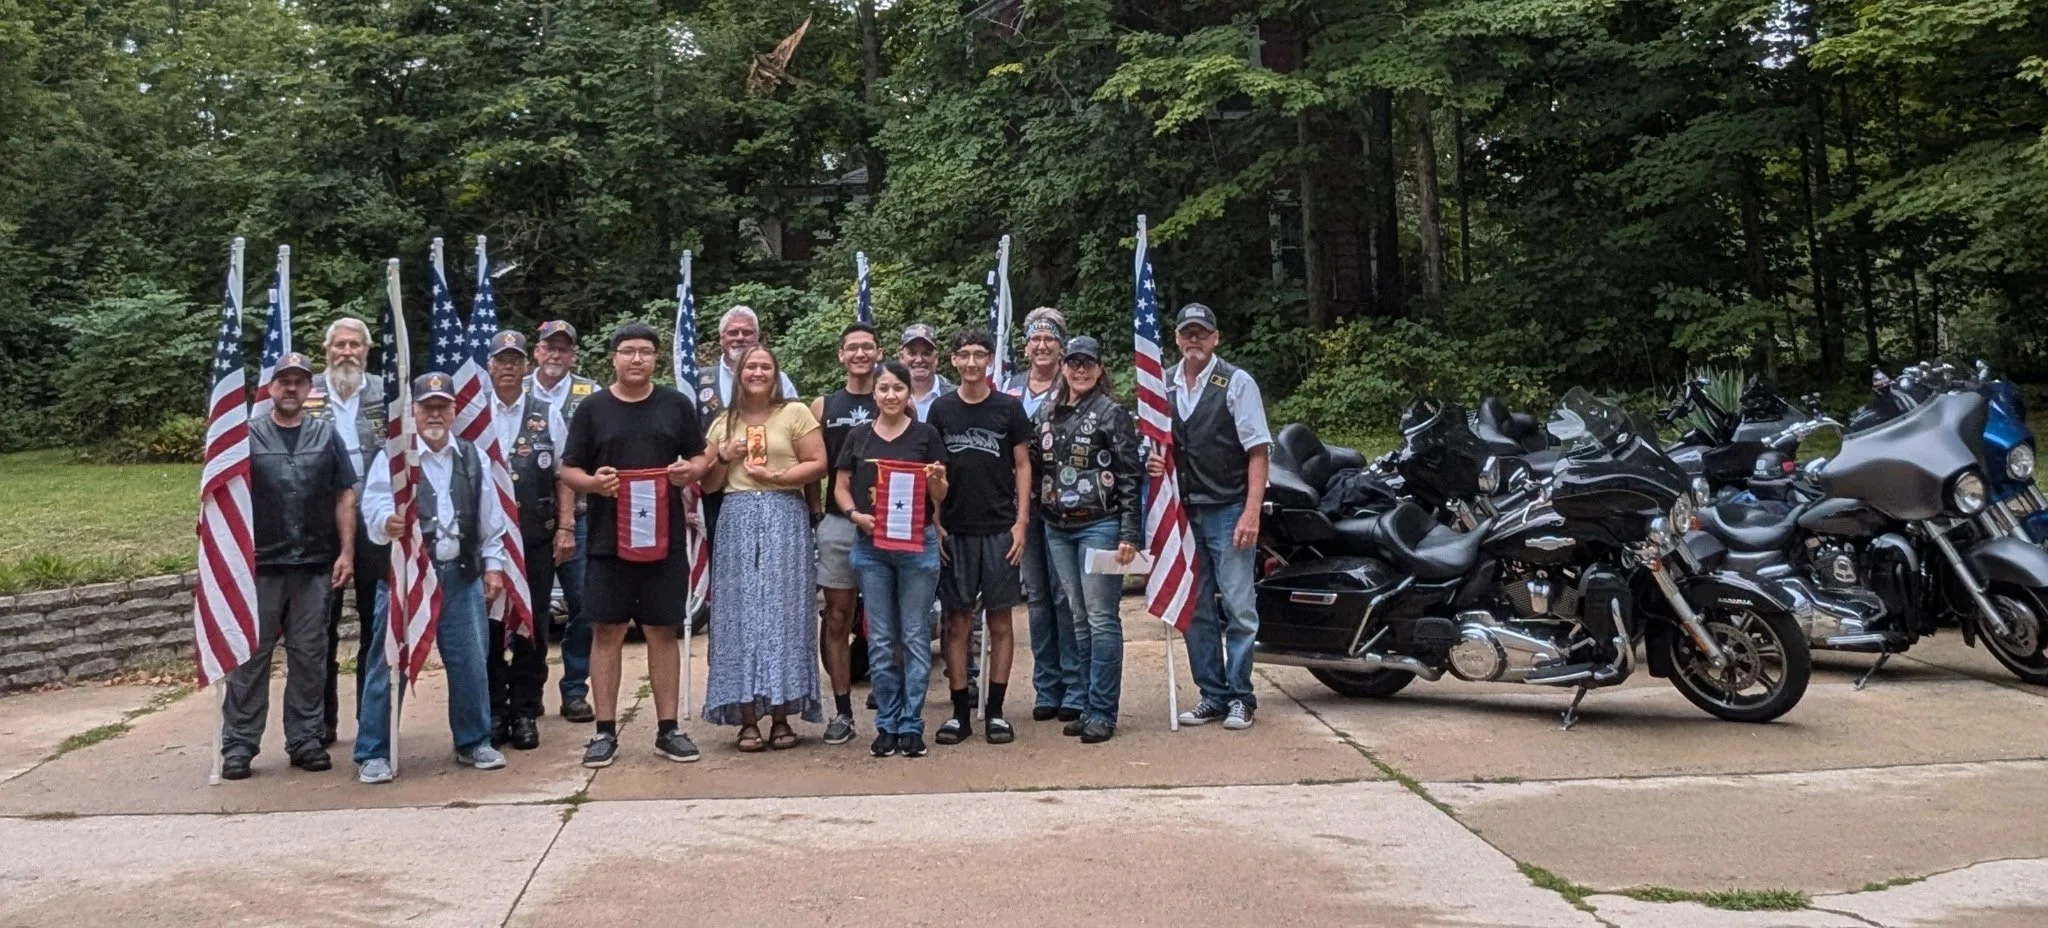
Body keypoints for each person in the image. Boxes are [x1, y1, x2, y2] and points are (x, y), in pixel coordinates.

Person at [558, 323, 712, 768]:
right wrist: (593, 483)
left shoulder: (675, 404)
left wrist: (691, 471)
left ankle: (668, 730)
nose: (637, 359)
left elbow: (701, 455)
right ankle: (604, 731)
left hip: (665, 539)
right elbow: (568, 470)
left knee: (662, 631)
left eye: (645, 351)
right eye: (628, 351)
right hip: (608, 540)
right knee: (606, 631)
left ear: (655, 359)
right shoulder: (593, 408)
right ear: (614, 358)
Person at [354, 372, 511, 784]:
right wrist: (385, 521)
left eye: (443, 406)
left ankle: (474, 741)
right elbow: (373, 504)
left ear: (455, 410)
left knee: (471, 662)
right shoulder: (395, 458)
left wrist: (494, 566)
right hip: (407, 578)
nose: (435, 414)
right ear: (414, 412)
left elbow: (491, 522)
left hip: (461, 576)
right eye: (427, 408)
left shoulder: (474, 457)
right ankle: (374, 750)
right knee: (387, 663)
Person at [221, 353, 357, 780]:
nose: (291, 388)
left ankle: (305, 739)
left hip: (314, 564)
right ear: (271, 388)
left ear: (309, 388)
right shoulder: (247, 436)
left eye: (299, 381)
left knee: (310, 656)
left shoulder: (326, 435)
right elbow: (225, 493)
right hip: (261, 565)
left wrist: (347, 552)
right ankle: (239, 745)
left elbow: (344, 495)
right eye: (284, 381)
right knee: (250, 658)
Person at [701, 346, 828, 751]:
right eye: (750, 366)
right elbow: (708, 484)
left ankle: (781, 716)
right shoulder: (723, 422)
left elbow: (818, 463)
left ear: (775, 373)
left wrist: (777, 477)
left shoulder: (794, 413)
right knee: (739, 617)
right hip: (737, 518)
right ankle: (747, 720)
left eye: (765, 366)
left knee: (783, 615)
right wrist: (724, 456)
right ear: (739, 374)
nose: (757, 372)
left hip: (784, 513)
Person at [1153, 303, 1273, 732]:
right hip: (1183, 514)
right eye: (1187, 333)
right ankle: (1212, 694)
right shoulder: (1162, 383)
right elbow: (1156, 443)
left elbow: (1258, 451)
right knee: (1195, 607)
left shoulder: (1236, 382)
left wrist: (1251, 512)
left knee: (1239, 606)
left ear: (1215, 338)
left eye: (1201, 333)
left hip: (1228, 509)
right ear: (1176, 338)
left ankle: (1241, 696)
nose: (1194, 340)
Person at [834, 360, 948, 759]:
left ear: (908, 393)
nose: (891, 395)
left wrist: (936, 482)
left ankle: (912, 724)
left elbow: (940, 494)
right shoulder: (858, 436)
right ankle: (886, 723)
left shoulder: (926, 435)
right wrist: (854, 515)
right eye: (883, 388)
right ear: (874, 394)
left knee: (915, 635)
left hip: (918, 544)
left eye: (898, 388)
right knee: (881, 639)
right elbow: (841, 485)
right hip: (872, 547)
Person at [927, 327, 1034, 746]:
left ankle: (996, 711)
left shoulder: (1008, 408)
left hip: (999, 528)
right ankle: (959, 712)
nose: (971, 362)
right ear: (953, 360)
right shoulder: (941, 409)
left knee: (1001, 620)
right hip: (956, 529)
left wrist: (1021, 521)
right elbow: (934, 471)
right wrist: (935, 520)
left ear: (990, 359)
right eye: (964, 355)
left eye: (979, 354)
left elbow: (1022, 465)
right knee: (957, 621)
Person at [1035, 336, 1140, 744]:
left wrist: (1129, 531)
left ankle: (1103, 710)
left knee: (1101, 618)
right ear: (1063, 366)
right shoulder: (1047, 411)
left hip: (1101, 525)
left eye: (1088, 364)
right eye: (1074, 363)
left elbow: (1129, 475)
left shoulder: (1112, 413)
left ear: (1099, 369)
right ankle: (1085, 703)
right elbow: (1032, 463)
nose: (1080, 370)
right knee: (1077, 617)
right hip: (1056, 526)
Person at [482, 331, 567, 751]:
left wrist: (566, 527)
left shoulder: (546, 413)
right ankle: (495, 709)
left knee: (532, 625)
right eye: (502, 360)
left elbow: (563, 475)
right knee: (490, 627)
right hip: (487, 541)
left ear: (525, 366)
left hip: (535, 537)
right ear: (490, 365)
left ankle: (525, 710)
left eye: (515, 360)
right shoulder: (473, 415)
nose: (509, 367)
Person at [306, 317, 386, 747]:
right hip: (320, 523)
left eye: (355, 345)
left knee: (376, 624)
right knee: (321, 627)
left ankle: (371, 720)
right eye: (340, 345)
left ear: (367, 351)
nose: (347, 352)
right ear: (327, 350)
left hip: (376, 522)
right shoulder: (306, 393)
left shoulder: (386, 393)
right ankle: (322, 721)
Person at [1006, 309, 1082, 722]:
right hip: (1021, 505)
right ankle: (1046, 685)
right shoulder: (1010, 387)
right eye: (1035, 339)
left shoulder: (1071, 385)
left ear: (1061, 345)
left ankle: (1073, 684)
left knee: (1063, 594)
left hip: (1063, 503)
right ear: (1026, 346)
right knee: (1036, 597)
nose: (1041, 346)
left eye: (1049, 339)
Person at [809, 322, 881, 745]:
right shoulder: (823, 405)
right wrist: (815, 512)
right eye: (852, 347)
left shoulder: (892, 397)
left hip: (885, 523)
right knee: (836, 616)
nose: (859, 354)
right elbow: (811, 463)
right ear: (841, 355)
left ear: (878, 353)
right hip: (837, 522)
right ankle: (841, 711)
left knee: (887, 617)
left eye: (867, 347)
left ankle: (890, 705)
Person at [527, 320, 600, 725]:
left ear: (573, 355)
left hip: (582, 517)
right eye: (548, 347)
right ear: (537, 351)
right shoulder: (513, 390)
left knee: (585, 606)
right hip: (527, 520)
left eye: (563, 348)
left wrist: (568, 522)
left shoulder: (591, 395)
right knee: (531, 609)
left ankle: (574, 690)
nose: (555, 354)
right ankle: (529, 689)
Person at [898, 324, 954, 420]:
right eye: (912, 353)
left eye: (926, 353)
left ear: (936, 358)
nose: (919, 360)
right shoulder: (890, 395)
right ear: (901, 357)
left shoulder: (953, 395)